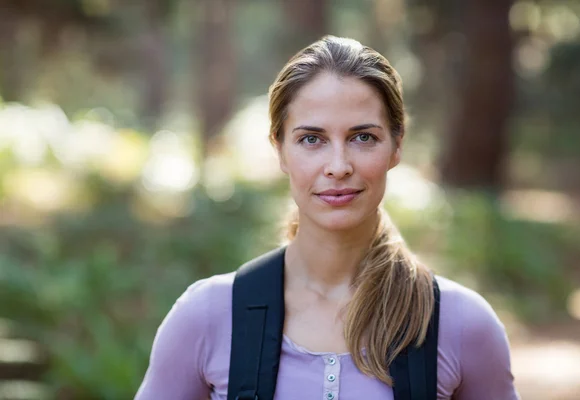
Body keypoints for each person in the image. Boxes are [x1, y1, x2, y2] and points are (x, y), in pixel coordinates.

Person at [135, 35, 519, 400]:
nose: (338, 166)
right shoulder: (207, 317)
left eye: (363, 137)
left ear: (397, 146)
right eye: (311, 139)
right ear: (280, 150)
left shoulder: (462, 325)